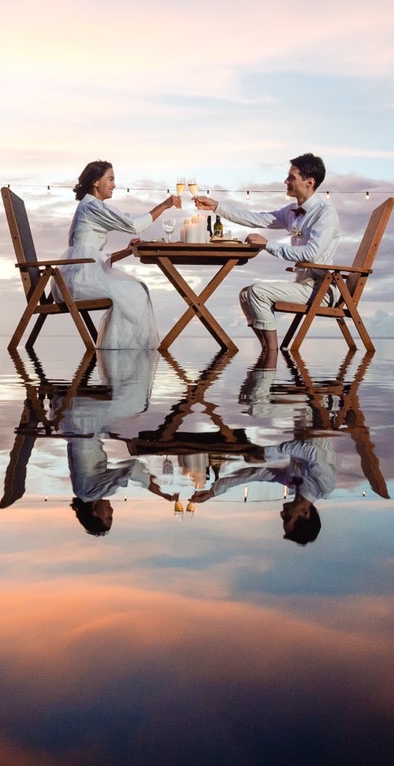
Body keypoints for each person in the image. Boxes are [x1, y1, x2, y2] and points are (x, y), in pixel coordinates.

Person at [193, 153, 340, 363]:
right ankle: (266, 355)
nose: (286, 181)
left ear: (309, 182)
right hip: (303, 286)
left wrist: (267, 245)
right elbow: (258, 218)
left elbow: (311, 254)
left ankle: (271, 356)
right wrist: (217, 207)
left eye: (291, 177)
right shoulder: (291, 211)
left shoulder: (325, 213)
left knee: (257, 292)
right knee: (246, 295)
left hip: (322, 290)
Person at [58, 161, 179, 350]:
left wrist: (126, 251)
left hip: (79, 274)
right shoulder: (93, 207)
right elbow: (133, 226)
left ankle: (122, 353)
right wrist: (165, 205)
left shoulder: (89, 207)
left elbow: (93, 256)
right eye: (111, 179)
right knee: (135, 291)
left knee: (137, 289)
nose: (114, 184)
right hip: (77, 280)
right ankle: (121, 353)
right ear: (96, 182)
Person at [62, 350, 178, 535]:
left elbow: (129, 469)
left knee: (138, 404)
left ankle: (134, 359)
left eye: (108, 517)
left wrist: (155, 488)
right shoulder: (82, 491)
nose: (112, 511)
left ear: (94, 513)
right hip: (73, 421)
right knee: (131, 416)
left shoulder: (91, 493)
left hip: (84, 417)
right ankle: (126, 361)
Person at [187, 434, 335, 545]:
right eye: (287, 517)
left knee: (254, 407)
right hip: (321, 415)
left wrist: (214, 492)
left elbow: (254, 475)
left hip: (302, 416)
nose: (282, 513)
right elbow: (313, 452)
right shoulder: (324, 486)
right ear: (305, 513)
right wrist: (267, 454)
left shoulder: (290, 482)